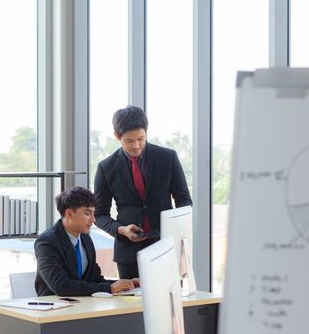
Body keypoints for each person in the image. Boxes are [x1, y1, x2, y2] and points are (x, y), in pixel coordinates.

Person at [94, 105, 193, 279]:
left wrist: (175, 228)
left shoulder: (168, 158)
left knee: (167, 303)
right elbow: (99, 214)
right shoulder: (106, 168)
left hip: (166, 246)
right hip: (128, 253)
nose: (136, 146)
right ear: (117, 136)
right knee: (132, 304)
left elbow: (184, 200)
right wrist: (121, 230)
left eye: (141, 138)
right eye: (129, 141)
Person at [34, 186, 139, 296]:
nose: (93, 220)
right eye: (87, 213)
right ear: (69, 213)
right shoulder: (46, 243)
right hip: (55, 308)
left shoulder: (85, 238)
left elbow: (95, 280)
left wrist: (126, 284)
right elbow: (61, 286)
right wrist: (110, 288)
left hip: (83, 305)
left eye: (94, 213)